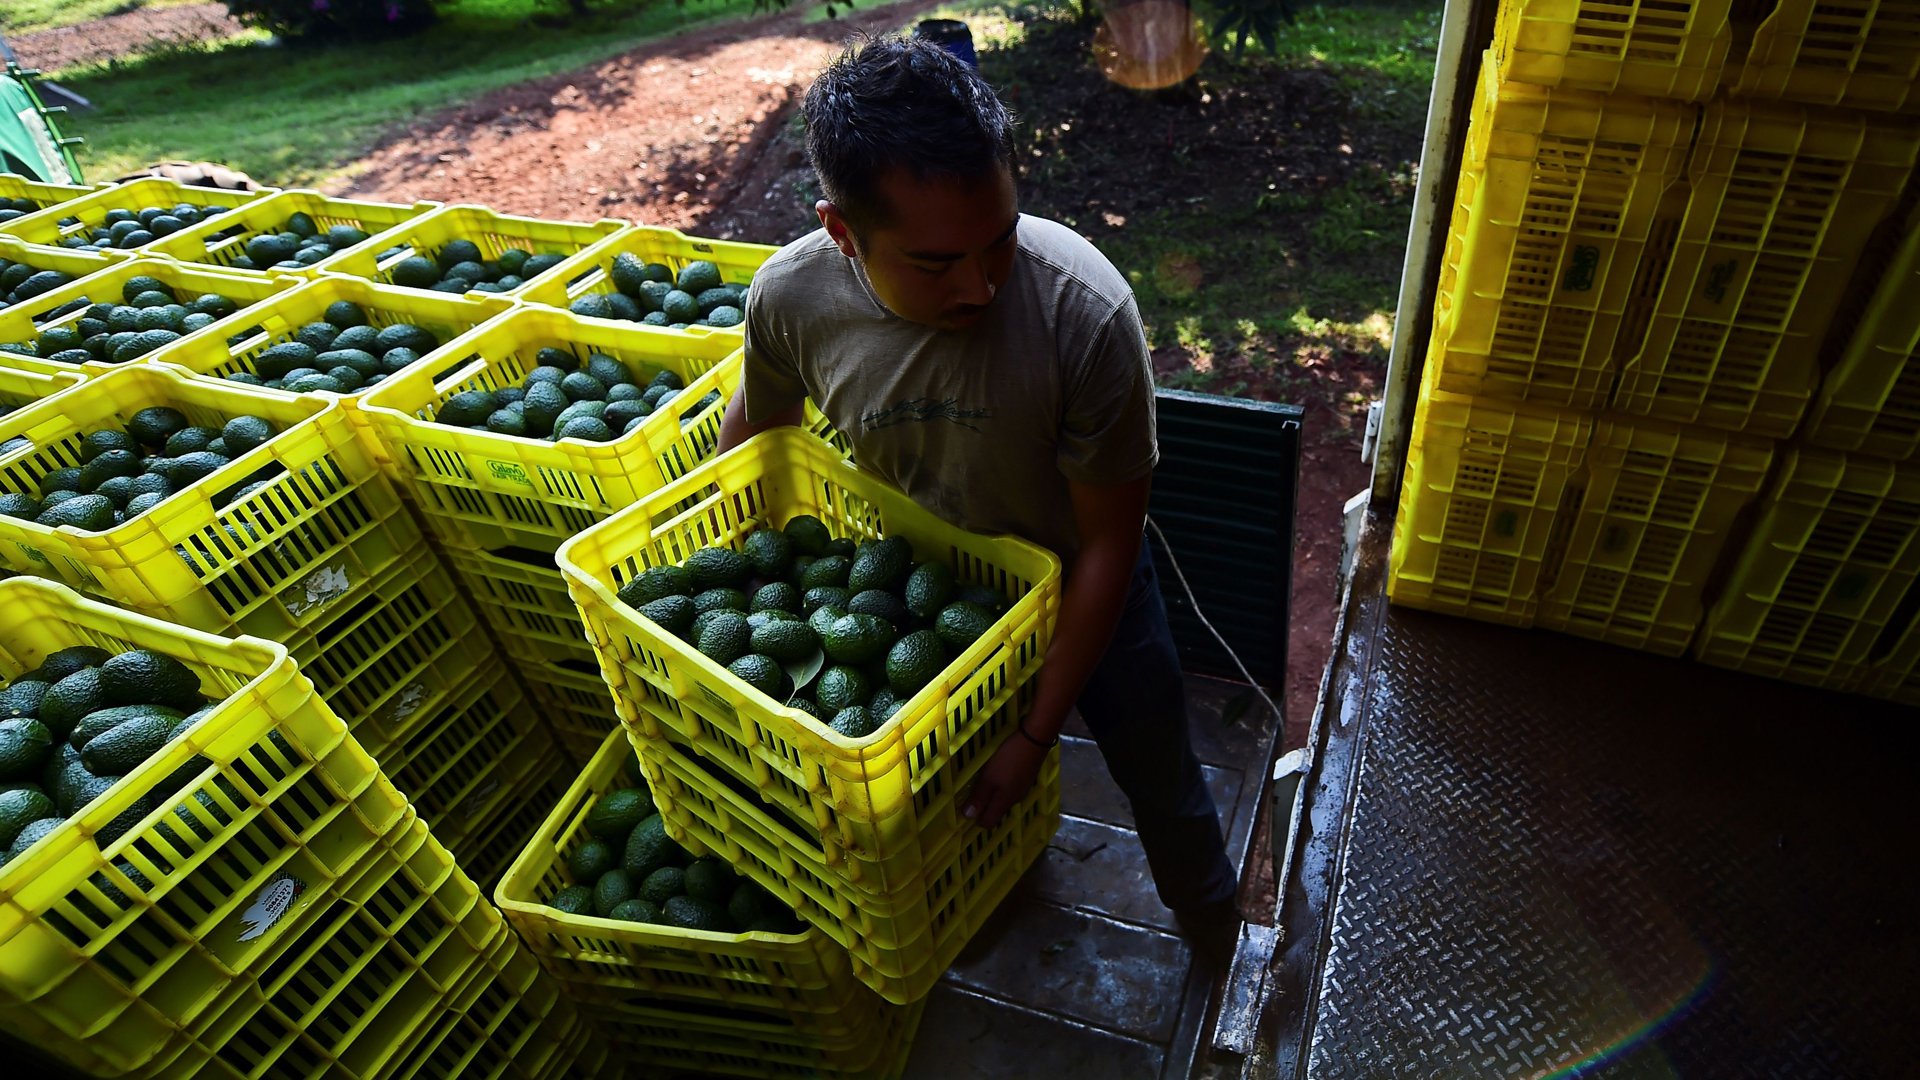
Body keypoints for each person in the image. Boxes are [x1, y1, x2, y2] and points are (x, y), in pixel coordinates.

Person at [715, 33, 1238, 958]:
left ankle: (1215, 928)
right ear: (844, 232)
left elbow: (1111, 544)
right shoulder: (791, 299)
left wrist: (1036, 734)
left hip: (1086, 586)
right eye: (935, 263)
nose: (982, 285)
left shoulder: (1084, 312)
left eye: (999, 241)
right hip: (927, 600)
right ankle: (1003, 896)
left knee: (1159, 772)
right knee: (964, 799)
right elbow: (757, 430)